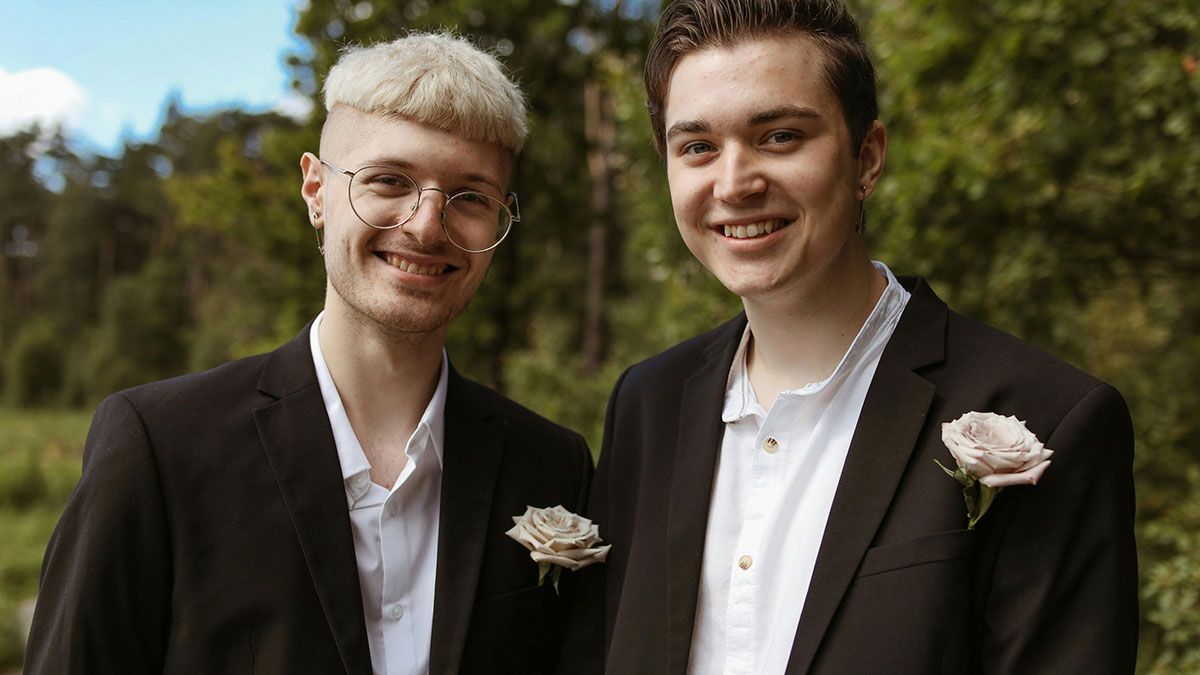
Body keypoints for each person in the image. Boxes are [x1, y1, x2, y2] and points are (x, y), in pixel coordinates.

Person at [578, 1, 1138, 672]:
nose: (734, 184)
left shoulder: (1048, 418)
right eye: (697, 147)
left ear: (866, 157)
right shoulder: (647, 405)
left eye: (779, 136)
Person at [25, 32, 591, 675]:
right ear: (316, 190)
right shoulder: (159, 445)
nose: (428, 224)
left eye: (470, 197)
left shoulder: (551, 463)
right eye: (388, 180)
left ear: (501, 217)